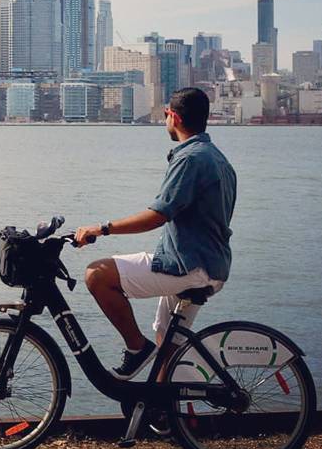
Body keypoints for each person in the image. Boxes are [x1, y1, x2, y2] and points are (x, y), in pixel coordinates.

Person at [75, 87, 236, 379]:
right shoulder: (218, 159)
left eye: (165, 116)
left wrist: (102, 229)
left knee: (96, 274)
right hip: (212, 265)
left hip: (188, 265)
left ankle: (137, 348)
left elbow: (157, 217)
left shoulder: (190, 159)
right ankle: (163, 416)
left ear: (172, 116)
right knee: (168, 344)